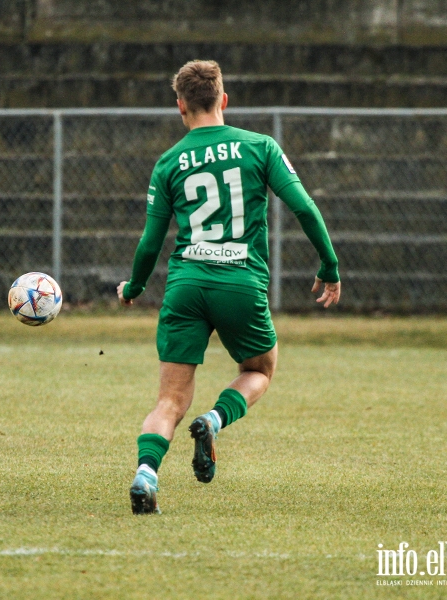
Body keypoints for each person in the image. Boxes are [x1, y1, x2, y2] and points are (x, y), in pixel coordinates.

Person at [118, 60, 341, 514]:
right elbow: (303, 207)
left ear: (179, 105)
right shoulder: (260, 147)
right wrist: (329, 263)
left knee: (169, 400)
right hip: (240, 282)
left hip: (186, 284)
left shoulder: (168, 162)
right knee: (260, 369)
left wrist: (135, 285)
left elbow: (150, 241)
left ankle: (146, 474)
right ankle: (215, 419)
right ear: (223, 100)